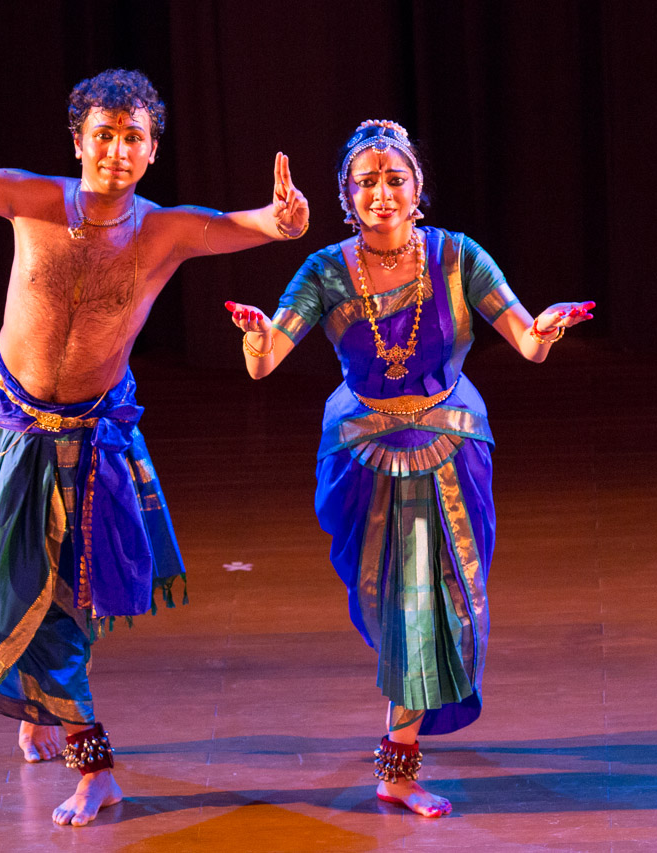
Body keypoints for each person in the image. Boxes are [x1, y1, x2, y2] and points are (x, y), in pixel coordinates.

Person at [0, 68, 309, 827]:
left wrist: (283, 220)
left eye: (133, 138)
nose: (117, 150)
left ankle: (84, 754)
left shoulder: (163, 231)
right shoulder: (32, 199)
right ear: (78, 142)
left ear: (152, 151)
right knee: (5, 595)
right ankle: (59, 720)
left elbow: (245, 224)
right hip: (11, 427)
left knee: (72, 589)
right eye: (103, 135)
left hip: (93, 432)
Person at [225, 120, 592, 817]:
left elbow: (525, 340)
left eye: (395, 179)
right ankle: (402, 739)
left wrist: (545, 330)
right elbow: (267, 360)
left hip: (449, 446)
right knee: (392, 605)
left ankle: (397, 765)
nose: (382, 193)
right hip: (362, 452)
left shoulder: (457, 256)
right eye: (366, 182)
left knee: (424, 605)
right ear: (346, 196)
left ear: (418, 188)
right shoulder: (325, 271)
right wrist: (255, 337)